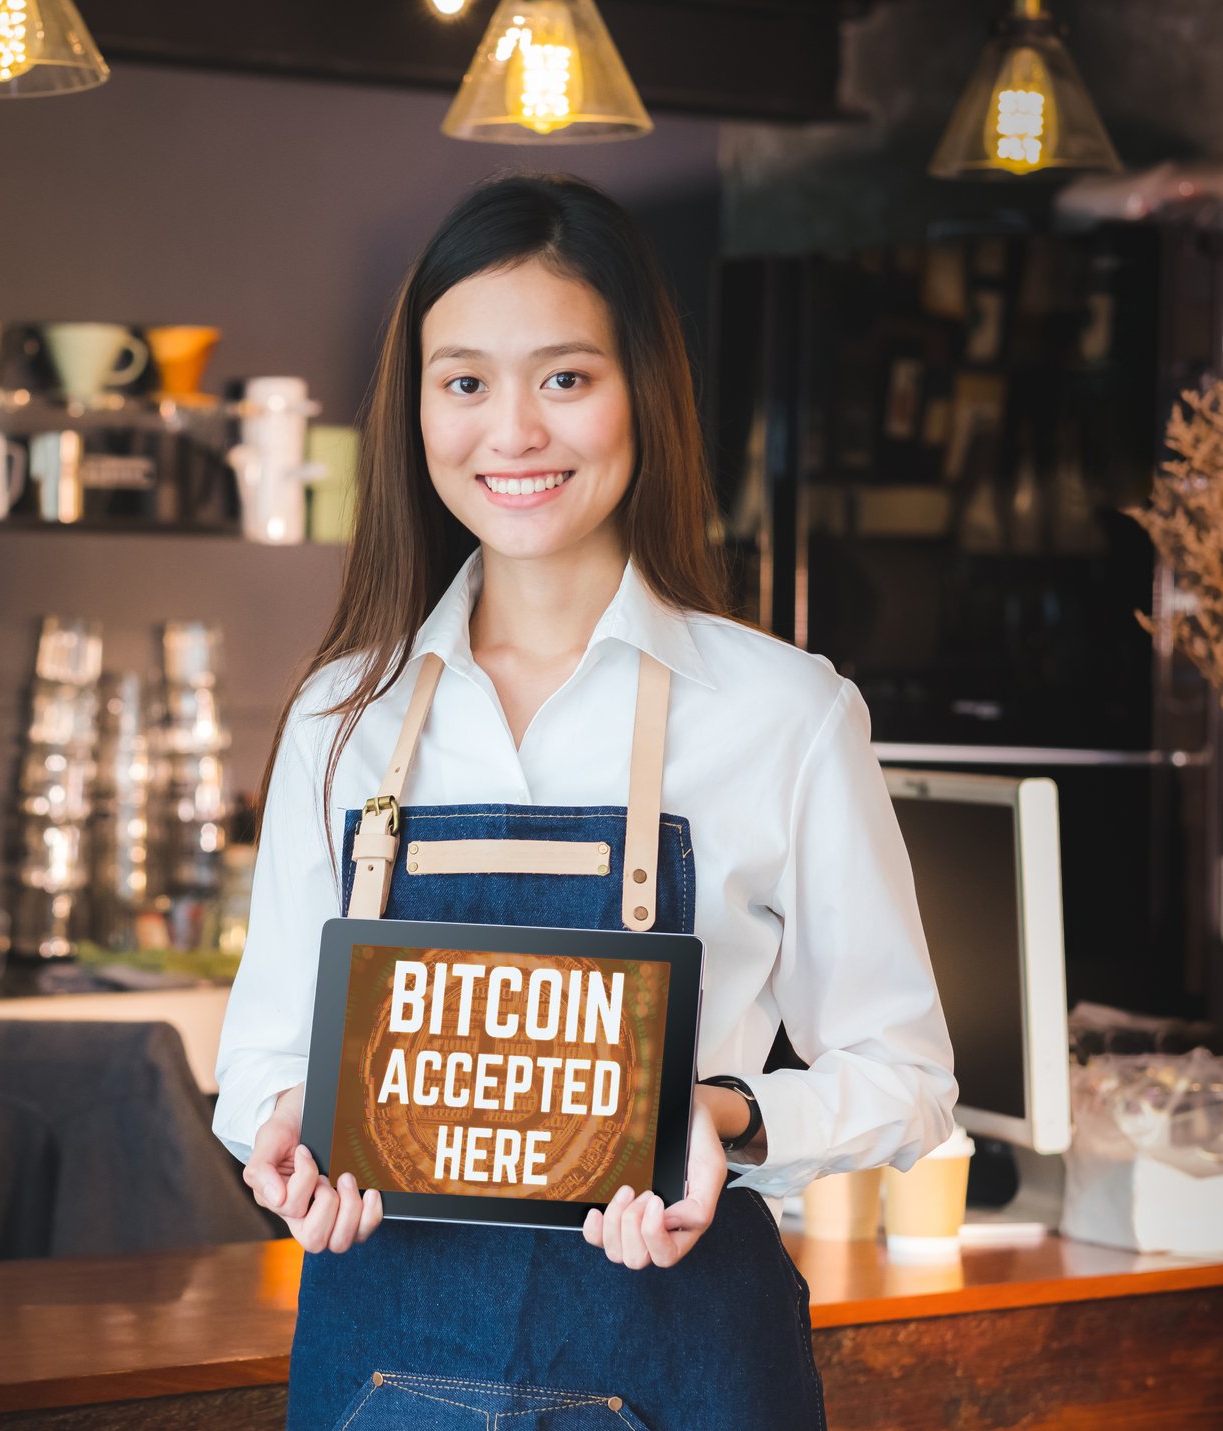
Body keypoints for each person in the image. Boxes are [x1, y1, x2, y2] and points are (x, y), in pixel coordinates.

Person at [211, 173, 958, 1431]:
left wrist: (719, 1118)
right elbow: (259, 1061)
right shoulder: (348, 713)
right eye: (464, 383)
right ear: (415, 412)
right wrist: (286, 1138)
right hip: (382, 1378)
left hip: (683, 1367)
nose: (512, 432)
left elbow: (908, 1074)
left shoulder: (785, 712)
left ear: (641, 396)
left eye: (564, 378)